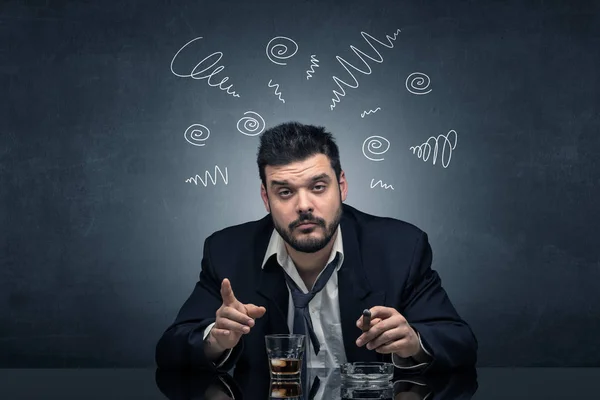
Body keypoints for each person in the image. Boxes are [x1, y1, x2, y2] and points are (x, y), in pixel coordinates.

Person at [155, 122, 477, 375]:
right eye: (285, 192)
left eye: (318, 187)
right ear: (266, 199)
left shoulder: (401, 248)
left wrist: (414, 343)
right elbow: (169, 350)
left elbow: (461, 343)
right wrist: (215, 340)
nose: (304, 206)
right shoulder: (226, 252)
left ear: (342, 186)